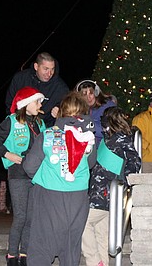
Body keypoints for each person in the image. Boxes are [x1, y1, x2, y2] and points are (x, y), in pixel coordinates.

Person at [22, 91, 97, 266]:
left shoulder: (48, 135)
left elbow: (29, 166)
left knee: (42, 245)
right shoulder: (89, 138)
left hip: (49, 196)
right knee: (71, 247)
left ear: (62, 112)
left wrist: (45, 177)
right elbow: (91, 163)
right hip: (78, 198)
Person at [0, 87, 46, 266]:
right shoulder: (11, 121)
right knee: (20, 216)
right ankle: (12, 255)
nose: (40, 104)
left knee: (31, 216)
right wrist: (7, 154)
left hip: (36, 176)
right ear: (26, 104)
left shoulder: (41, 124)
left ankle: (24, 253)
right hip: (18, 174)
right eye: (37, 101)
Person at [82, 107, 142, 266]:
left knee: (82, 222)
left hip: (106, 194)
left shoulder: (122, 139)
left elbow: (134, 162)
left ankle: (95, 262)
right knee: (102, 235)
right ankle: (102, 263)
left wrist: (123, 183)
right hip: (99, 192)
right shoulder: (109, 139)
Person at [5, 52, 69, 128]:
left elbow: (68, 109)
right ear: (36, 66)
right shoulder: (20, 79)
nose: (49, 74)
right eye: (46, 69)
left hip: (46, 129)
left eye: (52, 69)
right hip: (20, 126)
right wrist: (17, 123)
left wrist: (60, 110)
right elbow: (10, 103)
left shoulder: (61, 87)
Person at [74, 79, 116, 145]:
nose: (89, 97)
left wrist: (86, 123)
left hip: (104, 149)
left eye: (91, 93)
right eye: (84, 94)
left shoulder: (108, 106)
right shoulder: (81, 109)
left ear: (96, 93)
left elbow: (110, 131)